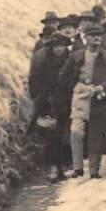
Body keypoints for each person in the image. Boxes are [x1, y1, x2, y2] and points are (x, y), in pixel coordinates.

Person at [58, 25, 106, 179]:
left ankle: (94, 170)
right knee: (76, 131)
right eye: (92, 35)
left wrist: (101, 87)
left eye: (98, 35)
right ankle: (78, 167)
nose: (96, 38)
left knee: (96, 134)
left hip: (99, 98)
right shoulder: (76, 56)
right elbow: (63, 76)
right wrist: (76, 86)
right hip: (80, 98)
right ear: (85, 38)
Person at [28, 33, 74, 183]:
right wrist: (40, 99)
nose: (59, 49)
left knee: (66, 135)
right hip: (49, 103)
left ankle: (65, 166)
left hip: (68, 102)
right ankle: (54, 168)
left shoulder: (71, 60)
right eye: (56, 46)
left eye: (61, 46)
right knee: (51, 136)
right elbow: (34, 81)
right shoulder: (44, 62)